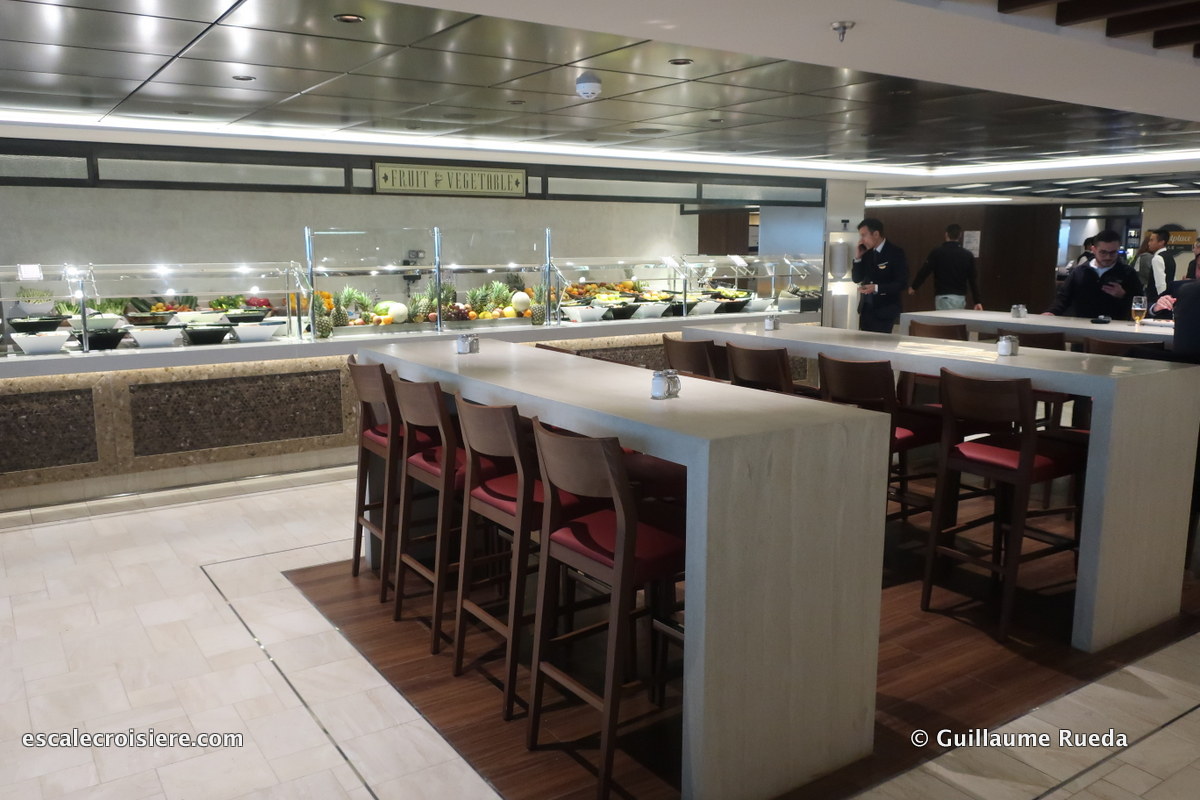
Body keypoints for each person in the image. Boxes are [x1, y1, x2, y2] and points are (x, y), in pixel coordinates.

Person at [1042, 229, 1142, 319]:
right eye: (1103, 252)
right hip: (1082, 325)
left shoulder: (1128, 273)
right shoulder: (1079, 272)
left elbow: (1140, 302)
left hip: (1115, 326)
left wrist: (1123, 295)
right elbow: (1063, 298)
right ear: (1093, 250)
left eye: (1113, 253)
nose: (1108, 257)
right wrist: (1051, 312)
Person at [851, 217, 908, 333]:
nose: (862, 240)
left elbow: (901, 283)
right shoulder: (867, 253)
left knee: (881, 342)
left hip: (885, 309)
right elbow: (857, 278)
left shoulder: (895, 252)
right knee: (864, 342)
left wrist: (876, 288)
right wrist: (858, 258)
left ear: (876, 234)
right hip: (866, 309)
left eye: (864, 235)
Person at [908, 223, 982, 310]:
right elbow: (972, 279)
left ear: (946, 234)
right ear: (960, 235)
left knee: (943, 319)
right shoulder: (968, 255)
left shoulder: (937, 252)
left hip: (943, 296)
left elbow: (925, 271)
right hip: (960, 298)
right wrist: (977, 301)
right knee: (957, 318)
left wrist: (914, 286)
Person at [1145, 228, 1176, 304]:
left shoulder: (1157, 258)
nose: (1149, 243)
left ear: (1161, 242)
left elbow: (1160, 284)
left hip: (1156, 300)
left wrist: (1162, 300)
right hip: (1169, 297)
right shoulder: (1170, 257)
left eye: (1152, 240)